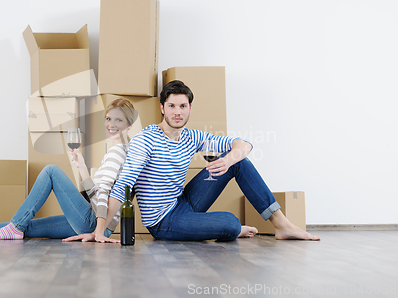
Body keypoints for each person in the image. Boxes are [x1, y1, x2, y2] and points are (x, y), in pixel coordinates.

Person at [66, 80, 320, 243]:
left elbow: (244, 144)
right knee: (231, 223)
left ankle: (282, 225)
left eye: (183, 106)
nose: (178, 112)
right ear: (163, 108)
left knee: (238, 162)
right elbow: (123, 185)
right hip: (163, 220)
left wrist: (229, 159)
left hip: (184, 202)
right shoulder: (146, 140)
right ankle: (227, 229)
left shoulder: (192, 136)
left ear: (189, 108)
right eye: (172, 106)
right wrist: (100, 230)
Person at [0, 99, 137, 243]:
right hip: (96, 224)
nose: (111, 125)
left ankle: (14, 226)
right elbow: (98, 196)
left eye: (118, 120)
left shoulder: (117, 152)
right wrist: (83, 168)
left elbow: (103, 195)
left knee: (51, 171)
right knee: (26, 227)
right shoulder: (120, 151)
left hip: (93, 222)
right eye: (109, 119)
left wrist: (98, 231)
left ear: (128, 124)